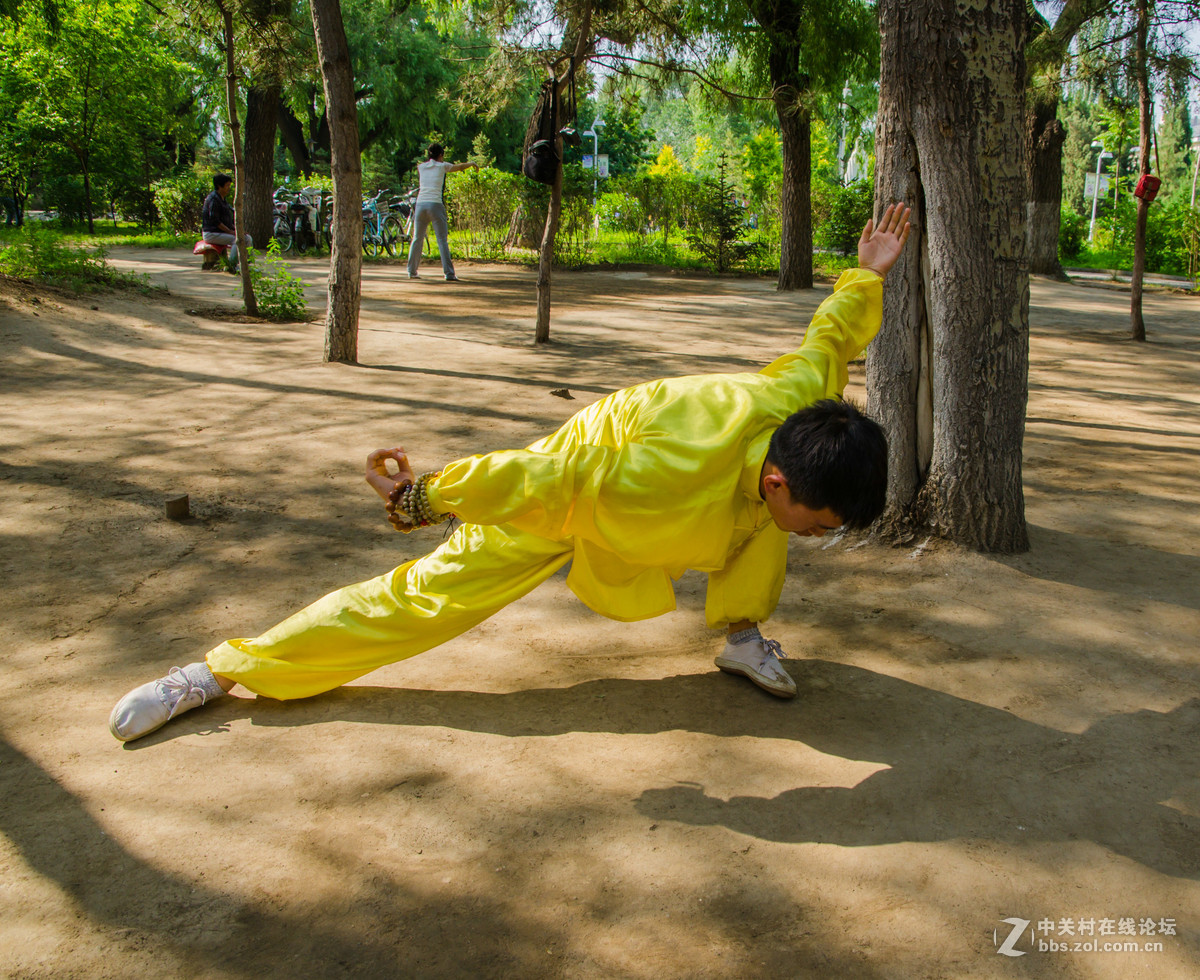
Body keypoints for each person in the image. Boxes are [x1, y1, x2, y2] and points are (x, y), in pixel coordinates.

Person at [109, 205, 912, 743]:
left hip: (708, 492)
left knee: (756, 539)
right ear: (781, 481)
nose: (823, 537)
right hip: (588, 475)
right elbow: (526, 477)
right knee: (426, 597)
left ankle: (740, 639)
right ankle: (218, 670)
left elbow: (830, 339)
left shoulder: (806, 404)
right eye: (823, 523)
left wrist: (868, 271)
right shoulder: (645, 475)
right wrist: (420, 497)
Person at [406, 143, 478, 282]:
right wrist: (472, 163)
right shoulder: (442, 166)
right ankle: (449, 273)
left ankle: (411, 271)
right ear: (441, 155)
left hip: (420, 204)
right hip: (435, 204)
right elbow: (460, 167)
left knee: (417, 238)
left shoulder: (421, 167)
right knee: (441, 240)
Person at [201, 173, 252, 274]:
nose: (229, 188)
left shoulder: (222, 199)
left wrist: (237, 230)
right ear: (219, 186)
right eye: (227, 185)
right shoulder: (214, 199)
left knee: (248, 238)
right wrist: (231, 232)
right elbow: (215, 221)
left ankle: (246, 265)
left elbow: (227, 221)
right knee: (237, 240)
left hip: (221, 232)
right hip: (211, 233)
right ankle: (231, 266)